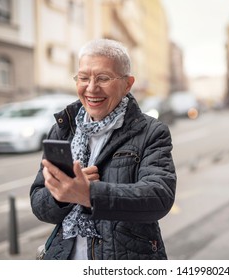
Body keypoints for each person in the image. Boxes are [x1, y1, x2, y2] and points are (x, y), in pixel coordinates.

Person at [30, 38, 176, 260]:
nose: (91, 87)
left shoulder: (151, 131)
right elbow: (39, 202)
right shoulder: (63, 129)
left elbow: (158, 197)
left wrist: (89, 194)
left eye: (103, 78)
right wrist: (64, 195)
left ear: (128, 84)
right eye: (83, 78)